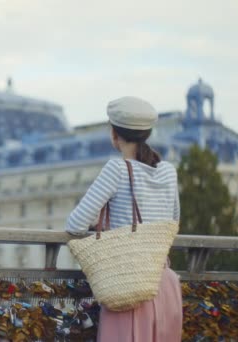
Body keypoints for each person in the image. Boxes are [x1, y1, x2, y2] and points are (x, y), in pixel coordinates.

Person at [65, 96, 182, 342]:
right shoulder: (169, 171)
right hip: (165, 285)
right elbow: (172, 222)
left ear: (114, 134)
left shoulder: (116, 169)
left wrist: (100, 223)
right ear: (147, 133)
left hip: (128, 286)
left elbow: (74, 225)